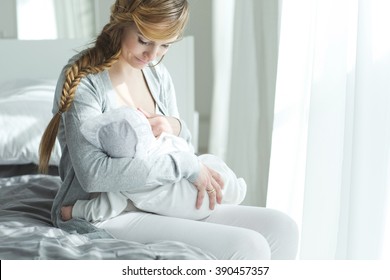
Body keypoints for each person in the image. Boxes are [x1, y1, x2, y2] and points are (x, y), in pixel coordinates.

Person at [39, 0, 298, 260]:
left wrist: (175, 125)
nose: (151, 55)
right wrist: (185, 167)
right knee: (249, 246)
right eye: (143, 40)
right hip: (107, 211)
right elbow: (94, 176)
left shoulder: (157, 76)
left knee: (283, 228)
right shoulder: (86, 81)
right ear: (122, 22)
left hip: (161, 198)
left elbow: (182, 146)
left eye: (165, 45)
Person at [60, 107, 247, 222]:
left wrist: (75, 211)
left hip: (190, 210)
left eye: (164, 46)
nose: (152, 54)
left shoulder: (121, 182)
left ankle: (235, 189)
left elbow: (103, 208)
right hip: (199, 195)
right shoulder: (161, 143)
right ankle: (237, 189)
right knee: (213, 166)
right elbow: (186, 149)